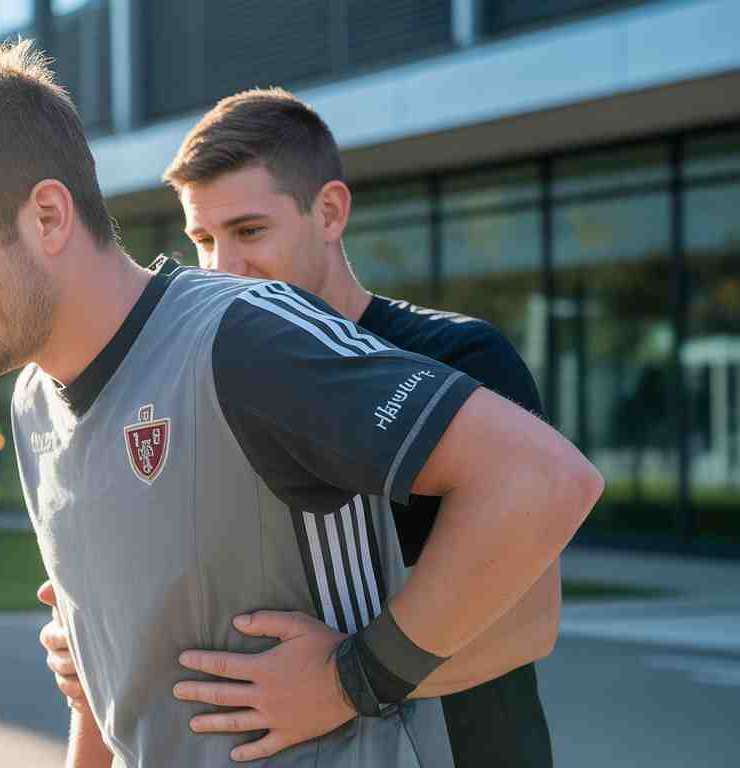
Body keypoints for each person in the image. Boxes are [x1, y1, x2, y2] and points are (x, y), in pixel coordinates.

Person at [0, 42, 603, 767]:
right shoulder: (34, 401)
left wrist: (352, 678)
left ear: (48, 216)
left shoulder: (246, 336)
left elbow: (542, 482)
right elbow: (107, 692)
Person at [37, 88, 560, 766]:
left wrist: (347, 683)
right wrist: (104, 645)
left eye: (250, 232)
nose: (223, 267)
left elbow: (529, 624)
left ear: (330, 212)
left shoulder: (458, 357)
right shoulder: (205, 377)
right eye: (203, 240)